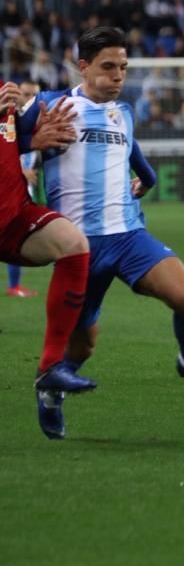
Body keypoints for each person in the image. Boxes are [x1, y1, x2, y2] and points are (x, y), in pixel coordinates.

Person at [17, 27, 184, 441]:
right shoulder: (49, 105)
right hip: (77, 247)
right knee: (82, 348)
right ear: (84, 67)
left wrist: (146, 181)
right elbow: (15, 141)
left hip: (129, 236)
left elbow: (136, 158)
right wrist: (29, 154)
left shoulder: (124, 113)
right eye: (108, 67)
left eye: (123, 67)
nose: (119, 76)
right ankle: (49, 392)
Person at [1, 80, 95, 429]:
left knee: (73, 245)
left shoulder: (4, 92)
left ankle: (50, 370)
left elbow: (7, 138)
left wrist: (30, 139)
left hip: (12, 217)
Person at [6, 81, 41, 298]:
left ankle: (14, 285)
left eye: (34, 95)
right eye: (26, 93)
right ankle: (13, 286)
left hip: (22, 188)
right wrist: (21, 171)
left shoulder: (34, 122)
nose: (29, 98)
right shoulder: (8, 119)